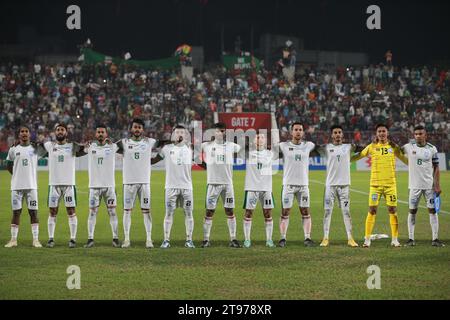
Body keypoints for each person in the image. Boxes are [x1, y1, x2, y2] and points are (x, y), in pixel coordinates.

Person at [351, 124, 408, 248]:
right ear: (376, 133)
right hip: (375, 186)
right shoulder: (372, 147)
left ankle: (395, 239)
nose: (381, 133)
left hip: (390, 185)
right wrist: (345, 160)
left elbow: (405, 160)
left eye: (383, 131)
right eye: (379, 131)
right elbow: (359, 155)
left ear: (387, 133)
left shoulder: (394, 147)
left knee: (393, 211)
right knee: (372, 210)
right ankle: (367, 239)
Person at [41, 123, 87, 248]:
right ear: (55, 133)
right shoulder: (49, 145)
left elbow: (86, 150)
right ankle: (51, 239)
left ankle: (72, 239)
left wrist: (91, 145)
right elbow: (33, 148)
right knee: (52, 212)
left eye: (62, 130)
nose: (60, 132)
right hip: (54, 185)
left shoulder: (72, 146)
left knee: (71, 211)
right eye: (58, 130)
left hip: (69, 185)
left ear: (66, 132)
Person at [116, 118, 157, 249]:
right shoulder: (124, 142)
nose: (137, 129)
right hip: (129, 182)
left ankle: (149, 239)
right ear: (131, 129)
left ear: (142, 129)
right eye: (135, 127)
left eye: (139, 127)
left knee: (146, 211)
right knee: (127, 211)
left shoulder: (149, 142)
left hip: (144, 182)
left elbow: (163, 143)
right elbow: (109, 146)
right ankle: (127, 239)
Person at [152, 125, 195, 249]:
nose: (180, 134)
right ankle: (166, 240)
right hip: (171, 186)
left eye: (182, 132)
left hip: (187, 187)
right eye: (177, 132)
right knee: (169, 213)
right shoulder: (166, 148)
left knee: (188, 213)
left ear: (186, 135)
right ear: (173, 134)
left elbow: (200, 161)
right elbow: (154, 160)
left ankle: (189, 240)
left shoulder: (190, 148)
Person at [318, 125, 361, 247]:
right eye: (335, 133)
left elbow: (362, 150)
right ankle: (325, 238)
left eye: (339, 132)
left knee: (346, 212)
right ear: (332, 135)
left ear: (342, 134)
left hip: (344, 186)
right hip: (330, 186)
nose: (337, 134)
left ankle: (350, 238)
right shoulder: (327, 147)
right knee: (327, 212)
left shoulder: (349, 147)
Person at [200, 123, 241, 248]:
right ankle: (206, 240)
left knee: (229, 211)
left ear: (225, 133)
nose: (220, 133)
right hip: (212, 184)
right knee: (209, 211)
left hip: (228, 184)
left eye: (223, 131)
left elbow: (244, 148)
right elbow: (192, 152)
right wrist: (204, 166)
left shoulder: (232, 146)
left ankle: (233, 239)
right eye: (218, 131)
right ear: (214, 132)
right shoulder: (206, 145)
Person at [402, 126, 444, 247]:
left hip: (429, 186)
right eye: (416, 134)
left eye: (420, 134)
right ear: (414, 135)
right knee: (412, 211)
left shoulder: (432, 149)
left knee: (432, 211)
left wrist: (437, 185)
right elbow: (396, 150)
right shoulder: (409, 147)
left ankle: (435, 239)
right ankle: (411, 239)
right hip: (414, 186)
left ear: (425, 135)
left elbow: (436, 167)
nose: (418, 136)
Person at [278, 123, 316, 247]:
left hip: (303, 186)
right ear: (291, 132)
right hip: (288, 185)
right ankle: (282, 238)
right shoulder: (283, 146)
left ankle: (307, 238)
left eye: (300, 129)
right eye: (296, 130)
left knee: (305, 211)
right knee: (285, 212)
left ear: (303, 132)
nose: (298, 132)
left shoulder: (309, 145)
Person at [4, 126, 42, 248]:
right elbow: (9, 165)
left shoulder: (35, 148)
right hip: (16, 186)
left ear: (30, 134)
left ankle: (35, 240)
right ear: (19, 134)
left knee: (33, 213)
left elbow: (51, 150)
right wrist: (16, 175)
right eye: (22, 131)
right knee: (16, 213)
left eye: (26, 131)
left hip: (31, 186)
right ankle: (13, 240)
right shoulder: (13, 149)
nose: (24, 133)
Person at [83, 124, 120, 248]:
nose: (100, 134)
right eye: (98, 132)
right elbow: (79, 150)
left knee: (112, 212)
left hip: (109, 186)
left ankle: (115, 238)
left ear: (106, 134)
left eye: (102, 132)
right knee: (92, 213)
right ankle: (90, 238)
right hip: (94, 186)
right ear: (95, 134)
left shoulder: (112, 146)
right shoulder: (89, 147)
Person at [242, 133, 277, 248]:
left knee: (268, 214)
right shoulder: (248, 153)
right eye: (257, 137)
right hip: (251, 188)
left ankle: (269, 240)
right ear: (253, 141)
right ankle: (247, 240)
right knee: (248, 213)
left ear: (265, 141)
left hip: (266, 189)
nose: (259, 139)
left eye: (262, 137)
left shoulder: (270, 154)